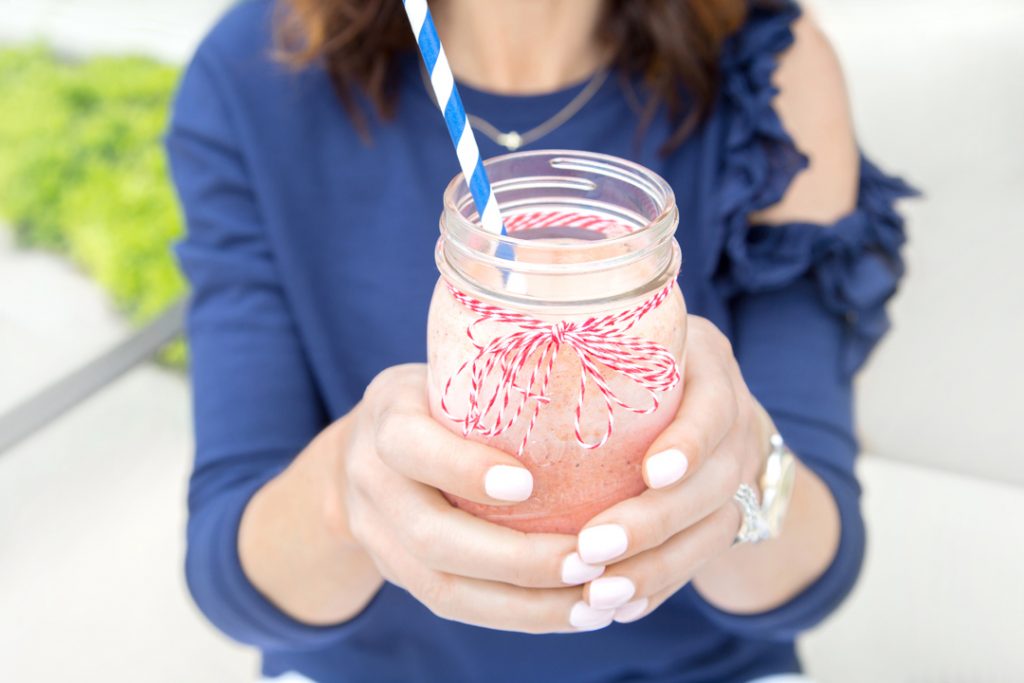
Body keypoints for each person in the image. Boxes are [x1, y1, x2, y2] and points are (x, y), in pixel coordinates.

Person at [166, 0, 914, 681]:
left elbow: (819, 574)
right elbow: (229, 580)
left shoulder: (774, 68)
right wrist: (344, 492)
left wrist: (744, 457)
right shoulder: (259, 66)